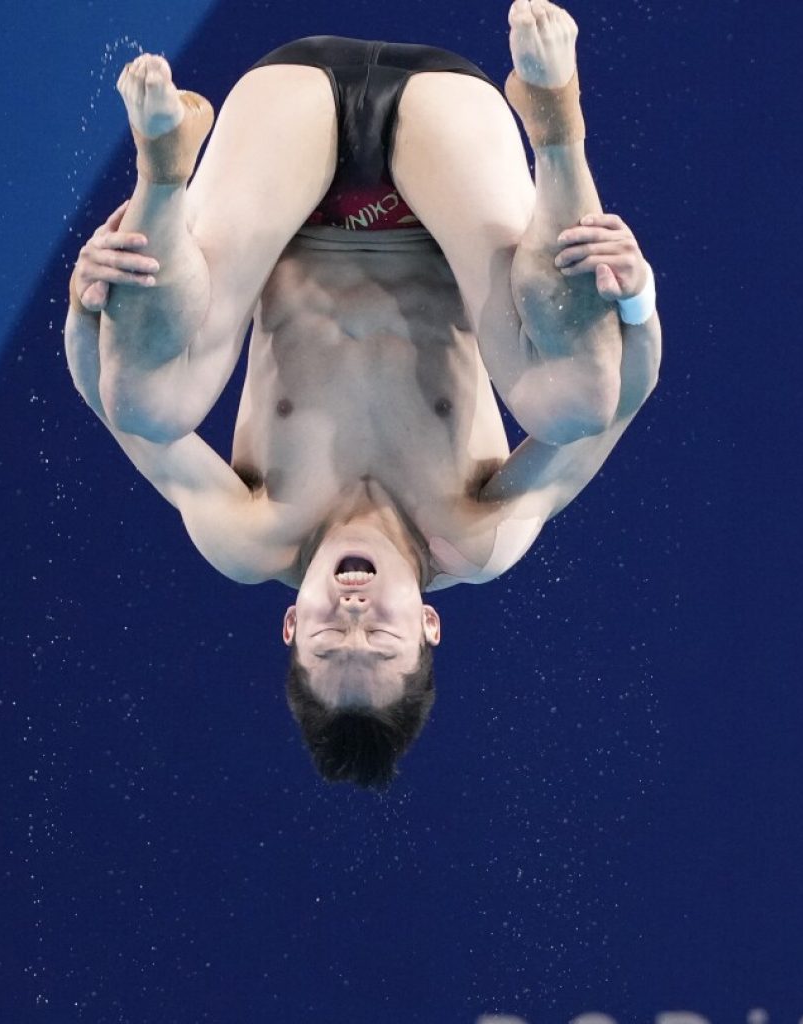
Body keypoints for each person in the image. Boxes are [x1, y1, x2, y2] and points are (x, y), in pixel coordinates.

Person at [63, 0, 662, 788]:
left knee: (150, 402)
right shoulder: (479, 535)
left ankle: (163, 178)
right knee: (575, 402)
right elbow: (621, 402)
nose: (352, 616)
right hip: (447, 149)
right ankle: (557, 122)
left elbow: (119, 413)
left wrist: (83, 305)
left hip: (284, 143)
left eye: (325, 641)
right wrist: (639, 295)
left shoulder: (253, 534)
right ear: (427, 625)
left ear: (289, 625)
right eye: (379, 644)